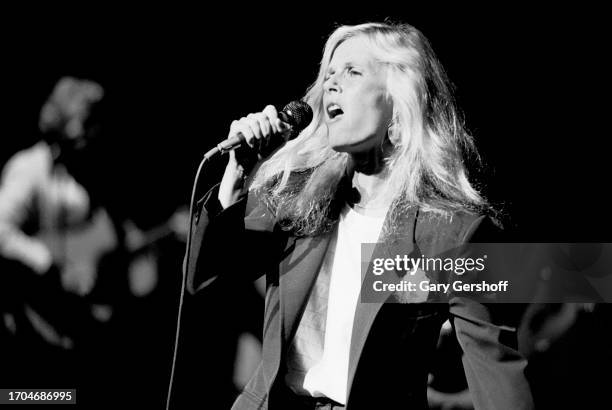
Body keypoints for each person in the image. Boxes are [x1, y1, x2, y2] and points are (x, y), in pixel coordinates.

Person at [184, 22, 533, 409]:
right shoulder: (299, 199)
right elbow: (207, 284)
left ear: (400, 102)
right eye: (329, 75)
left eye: (353, 72)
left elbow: (497, 378)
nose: (331, 84)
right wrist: (237, 178)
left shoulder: (451, 234)